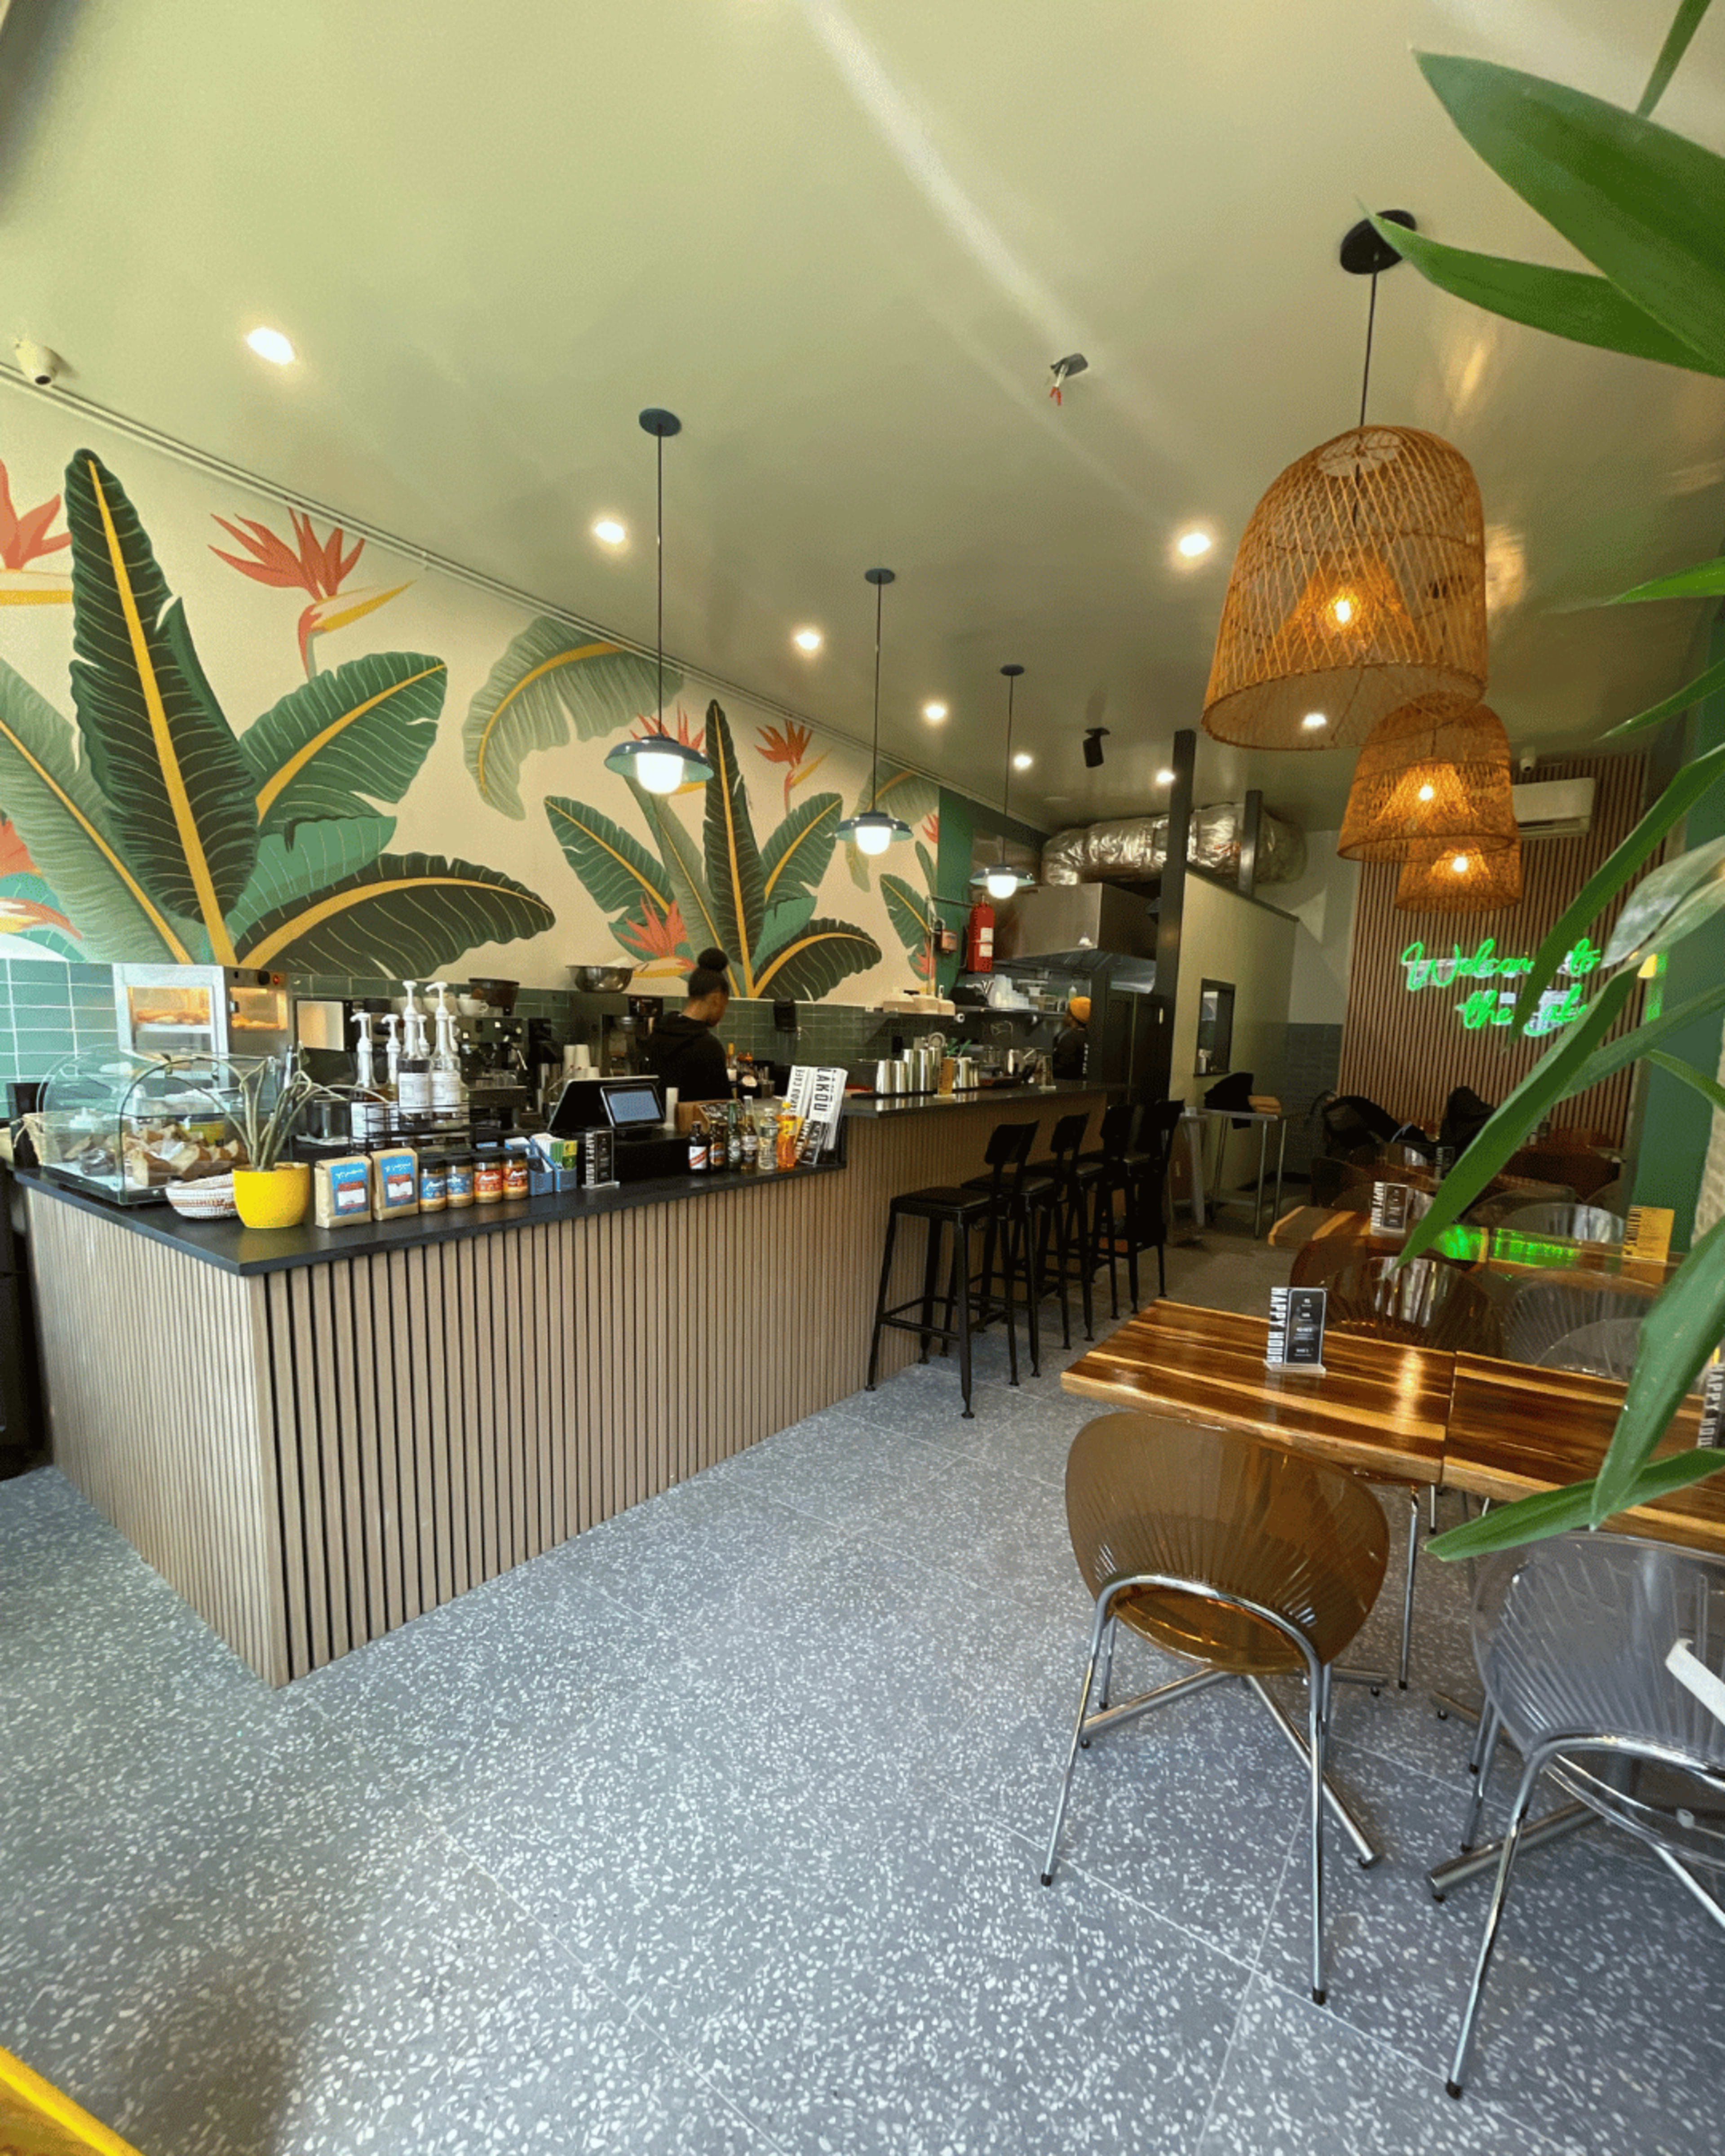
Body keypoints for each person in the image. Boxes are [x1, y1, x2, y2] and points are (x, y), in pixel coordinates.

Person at [646, 950, 731, 1101]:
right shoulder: (708, 1047)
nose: (723, 1013)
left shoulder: (658, 1033)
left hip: (656, 1120)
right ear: (717, 999)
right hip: (692, 1123)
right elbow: (722, 1106)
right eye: (725, 1005)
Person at [1052, 994, 1090, 1079]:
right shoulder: (1092, 1037)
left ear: (1071, 1018)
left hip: (1070, 1088)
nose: (1064, 1016)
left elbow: (1060, 1070)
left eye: (1067, 1012)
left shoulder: (1070, 1039)